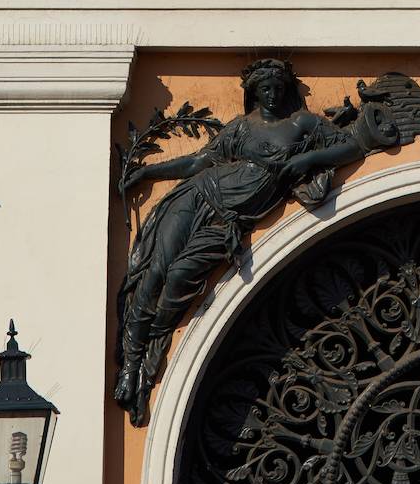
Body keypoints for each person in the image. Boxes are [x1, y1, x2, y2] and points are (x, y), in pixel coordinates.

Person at [115, 57, 362, 425]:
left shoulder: (303, 124)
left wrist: (308, 157)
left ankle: (153, 349)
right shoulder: (241, 128)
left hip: (228, 222)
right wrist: (150, 171)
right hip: (197, 195)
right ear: (254, 92)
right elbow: (198, 163)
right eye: (265, 89)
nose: (272, 95)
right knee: (153, 275)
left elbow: (351, 147)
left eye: (278, 88)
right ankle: (131, 366)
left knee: (180, 278)